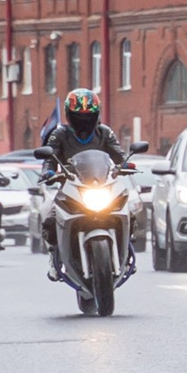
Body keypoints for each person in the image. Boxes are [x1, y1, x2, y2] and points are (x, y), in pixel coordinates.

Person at [37, 90, 127, 276]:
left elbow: (118, 153)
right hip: (71, 187)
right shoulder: (59, 134)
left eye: (88, 116)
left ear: (96, 114)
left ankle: (125, 252)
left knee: (128, 214)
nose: (83, 120)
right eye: (78, 116)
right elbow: (50, 156)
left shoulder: (104, 132)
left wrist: (125, 164)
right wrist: (48, 171)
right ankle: (54, 258)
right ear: (69, 115)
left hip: (102, 186)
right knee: (50, 221)